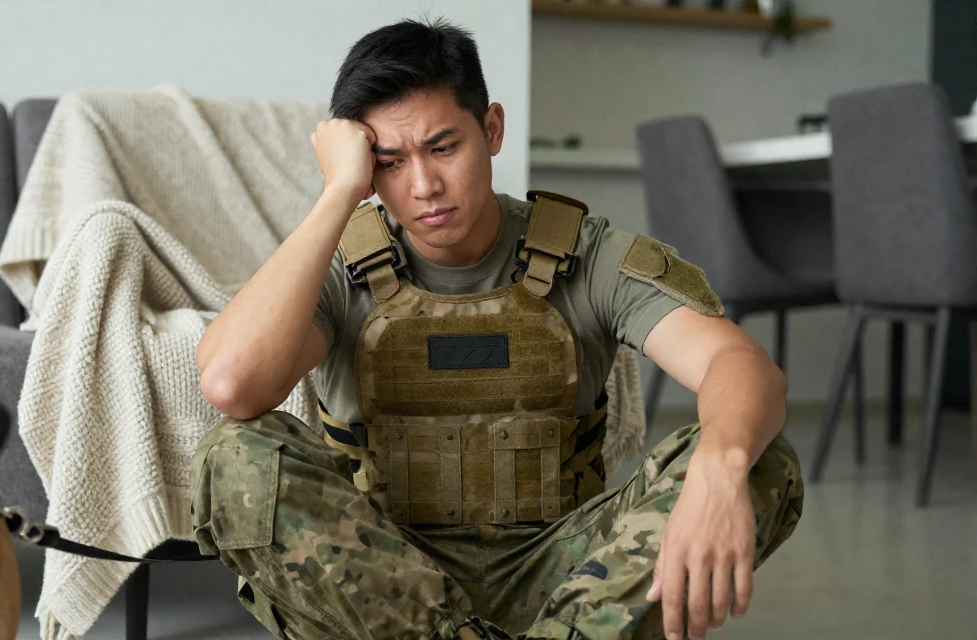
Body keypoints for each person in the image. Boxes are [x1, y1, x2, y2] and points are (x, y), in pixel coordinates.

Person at [193, 17, 802, 640]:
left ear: (492, 130)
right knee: (231, 456)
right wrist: (338, 194)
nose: (424, 185)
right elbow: (232, 385)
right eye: (390, 162)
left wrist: (719, 470)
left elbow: (741, 366)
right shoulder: (336, 264)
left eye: (443, 147)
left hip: (563, 578)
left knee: (759, 458)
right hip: (385, 585)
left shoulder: (586, 256)